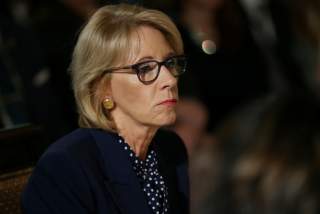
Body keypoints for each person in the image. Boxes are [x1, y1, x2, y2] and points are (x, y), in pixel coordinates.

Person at [21, 3, 189, 214]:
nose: (170, 79)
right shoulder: (65, 167)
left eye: (170, 63)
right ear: (101, 87)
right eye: (145, 68)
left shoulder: (171, 149)